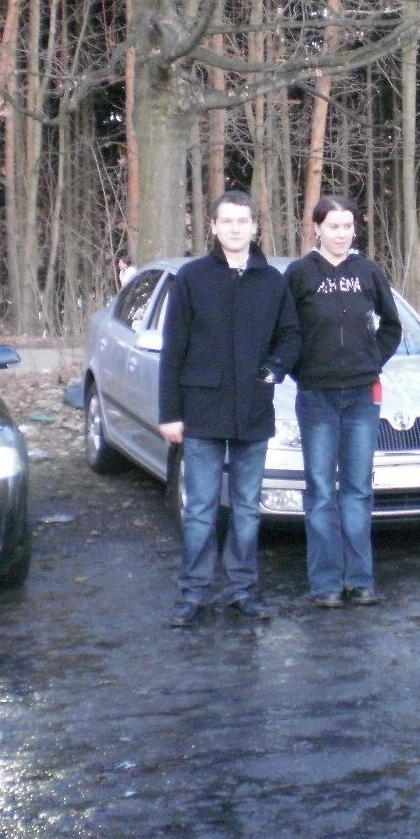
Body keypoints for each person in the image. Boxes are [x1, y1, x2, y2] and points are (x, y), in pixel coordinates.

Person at [158, 190, 301, 627]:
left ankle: (242, 590)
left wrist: (273, 370)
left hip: (253, 411)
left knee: (247, 507)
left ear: (254, 227)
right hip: (202, 410)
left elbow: (291, 335)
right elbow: (173, 348)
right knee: (200, 508)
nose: (235, 229)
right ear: (213, 227)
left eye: (243, 221)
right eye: (227, 221)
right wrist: (170, 413)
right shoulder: (192, 278)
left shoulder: (272, 281)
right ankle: (194, 593)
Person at [285, 195, 403, 608]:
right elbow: (285, 331)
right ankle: (326, 585)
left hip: (361, 396)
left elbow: (392, 325)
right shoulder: (300, 274)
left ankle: (360, 580)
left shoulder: (368, 272)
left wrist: (372, 361)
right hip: (316, 396)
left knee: (356, 490)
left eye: (348, 226)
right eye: (333, 226)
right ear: (317, 228)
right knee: (320, 491)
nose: (341, 233)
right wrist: (302, 370)